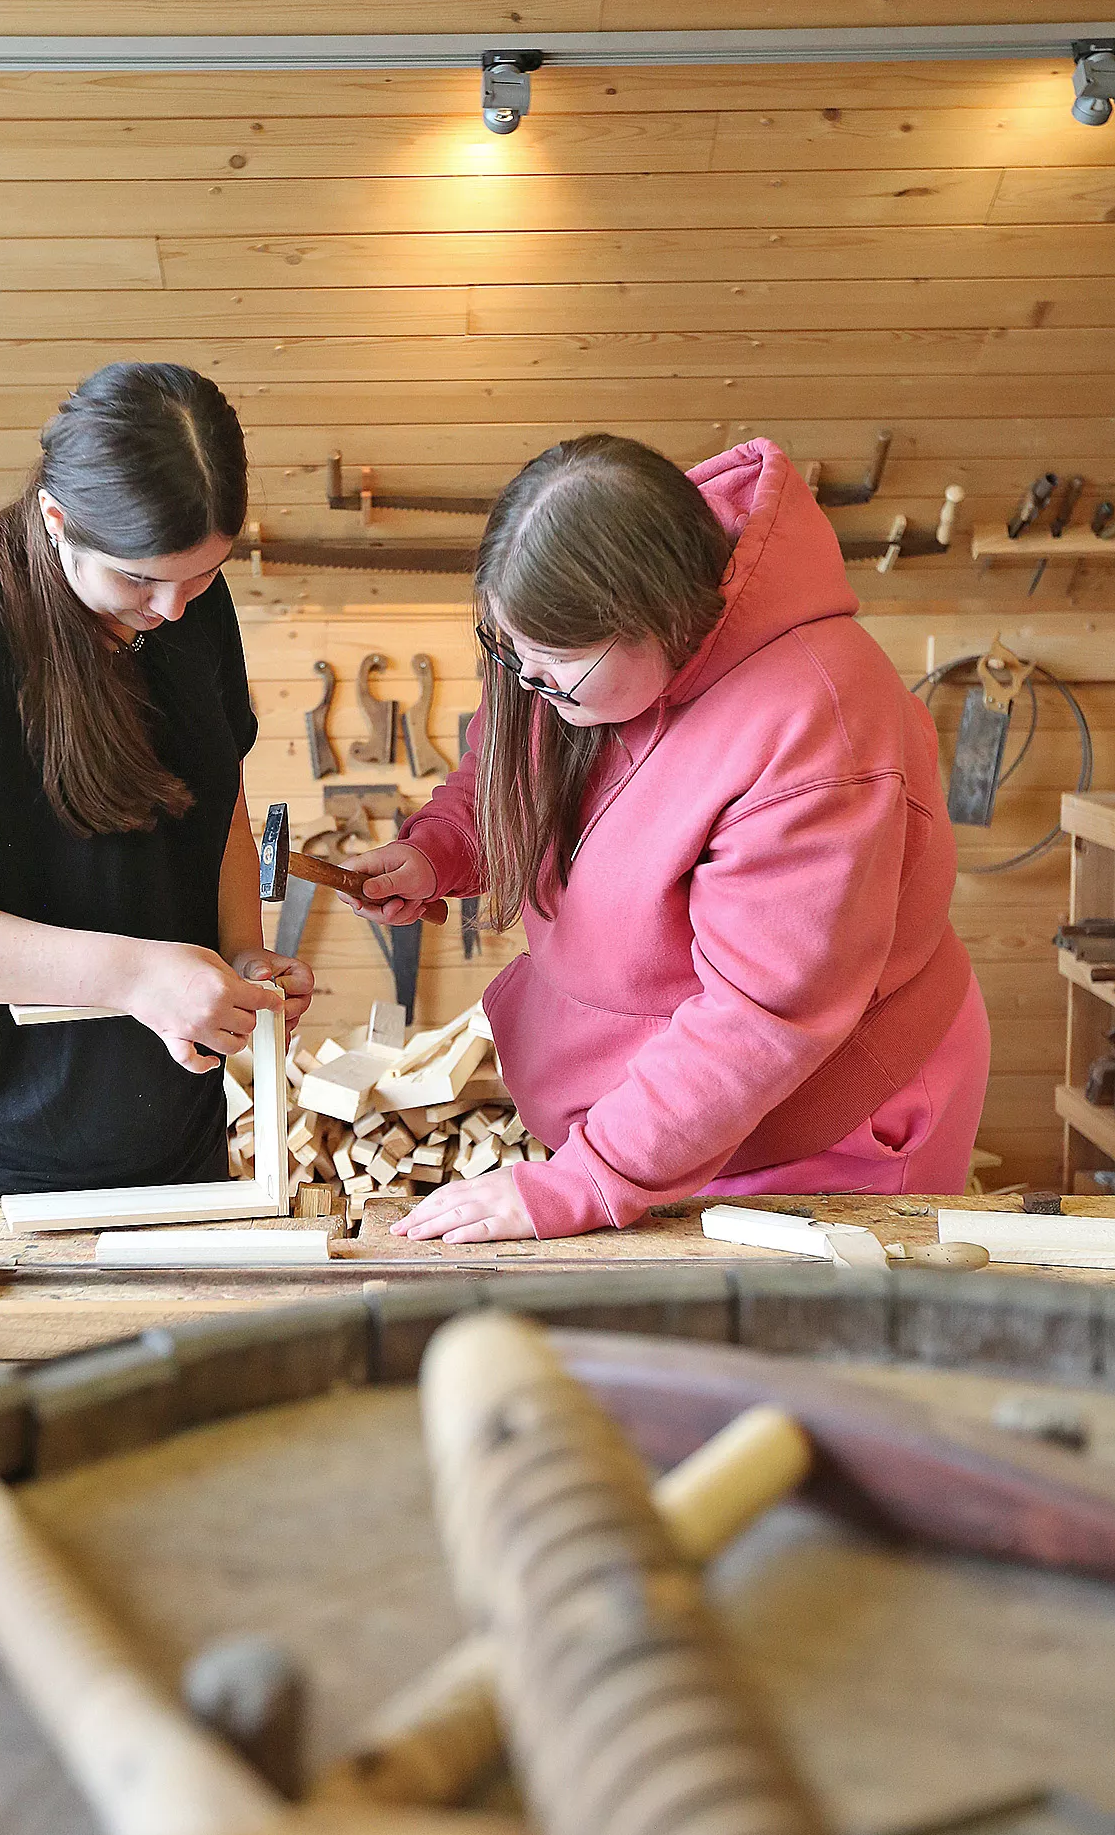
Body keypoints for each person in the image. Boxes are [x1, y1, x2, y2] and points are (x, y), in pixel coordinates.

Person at [345, 434, 989, 1244]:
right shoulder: (559, 655)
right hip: (653, 1127)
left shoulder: (816, 727)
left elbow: (760, 1016)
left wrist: (586, 1178)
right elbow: (510, 767)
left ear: (663, 619)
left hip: (810, 1132)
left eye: (554, 661)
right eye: (508, 649)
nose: (526, 678)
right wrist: (437, 849)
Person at [0, 362, 310, 1198]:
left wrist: (238, 957)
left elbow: (216, 799)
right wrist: (137, 976)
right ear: (56, 517)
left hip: (159, 1121)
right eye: (137, 580)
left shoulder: (186, 597)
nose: (172, 610)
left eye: (201, 576)